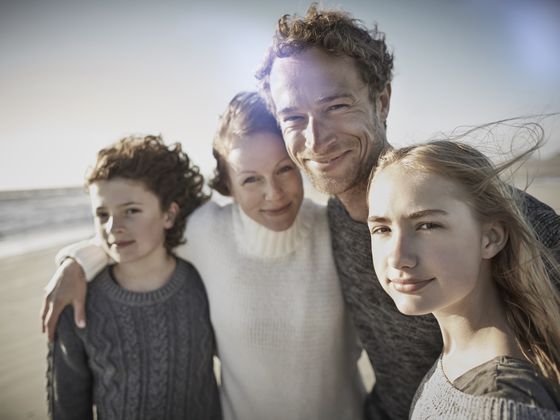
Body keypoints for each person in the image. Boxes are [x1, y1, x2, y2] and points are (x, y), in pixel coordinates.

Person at [254, 5, 560, 419]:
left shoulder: (482, 211)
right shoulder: (334, 220)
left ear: (382, 101)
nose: (316, 139)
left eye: (337, 107)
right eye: (293, 117)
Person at [44, 92, 365, 420]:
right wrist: (76, 262)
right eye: (250, 179)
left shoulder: (335, 228)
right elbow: (130, 233)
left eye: (284, 169)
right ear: (228, 184)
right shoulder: (205, 232)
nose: (274, 193)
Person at [367, 139, 560, 418]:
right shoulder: (459, 356)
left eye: (427, 225)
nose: (398, 258)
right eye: (382, 229)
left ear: (490, 238)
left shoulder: (503, 403)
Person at [47, 135, 221, 420]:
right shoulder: (77, 301)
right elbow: (66, 404)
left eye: (131, 211)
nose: (114, 227)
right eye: (102, 214)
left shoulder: (201, 283)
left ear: (168, 214)